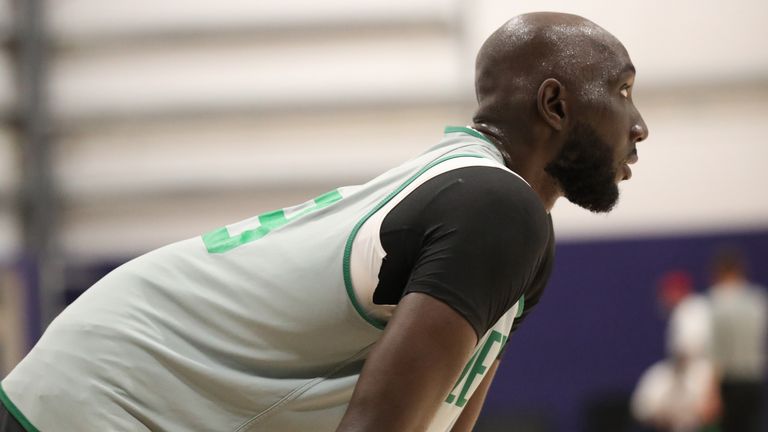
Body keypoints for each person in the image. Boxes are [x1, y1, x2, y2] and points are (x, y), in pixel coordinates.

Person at [0, 12, 648, 432]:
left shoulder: (508, 219)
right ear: (554, 104)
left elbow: (440, 420)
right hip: (106, 387)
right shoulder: (496, 209)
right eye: (621, 91)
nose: (639, 125)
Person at [632, 271, 721, 432]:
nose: (664, 298)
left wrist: (709, 391)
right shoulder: (692, 308)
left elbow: (688, 350)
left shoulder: (689, 310)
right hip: (691, 374)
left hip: (693, 374)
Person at [708, 248, 767, 432]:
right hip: (755, 379)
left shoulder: (716, 302)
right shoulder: (758, 300)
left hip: (728, 381)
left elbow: (717, 350)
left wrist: (712, 392)